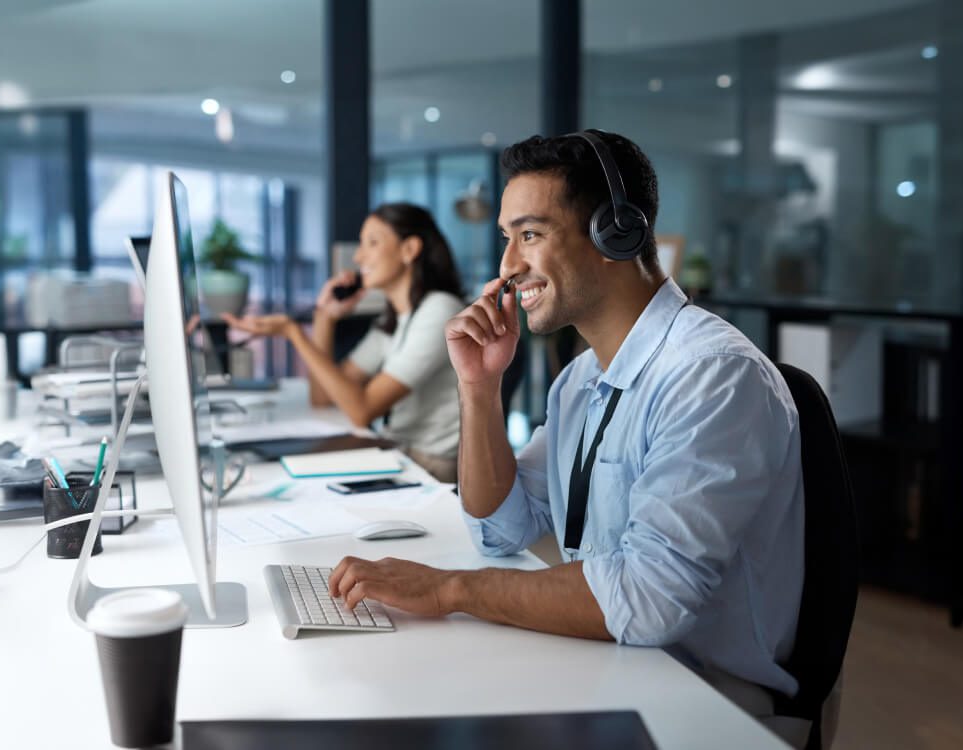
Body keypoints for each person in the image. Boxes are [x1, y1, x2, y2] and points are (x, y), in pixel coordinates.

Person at [328, 131, 808, 742]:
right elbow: (498, 527)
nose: (507, 267)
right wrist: (479, 390)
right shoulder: (582, 380)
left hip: (701, 699)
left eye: (530, 235)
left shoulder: (711, 375)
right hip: (609, 662)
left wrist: (448, 589)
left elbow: (648, 598)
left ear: (617, 234)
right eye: (507, 239)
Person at [223, 203, 465, 482]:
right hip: (399, 452)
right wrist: (325, 318)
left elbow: (361, 410)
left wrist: (295, 333)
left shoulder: (439, 311)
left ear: (409, 250)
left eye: (372, 243)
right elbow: (323, 397)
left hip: (431, 465)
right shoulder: (394, 319)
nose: (360, 257)